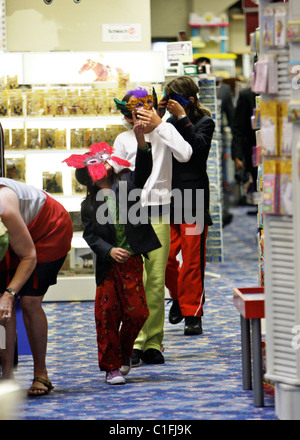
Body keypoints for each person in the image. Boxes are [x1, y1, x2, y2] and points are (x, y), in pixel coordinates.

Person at [63, 122, 161, 385]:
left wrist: (141, 142)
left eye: (104, 162)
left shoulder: (128, 182)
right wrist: (109, 250)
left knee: (138, 312)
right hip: (108, 266)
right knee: (106, 314)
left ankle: (126, 352)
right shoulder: (88, 204)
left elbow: (144, 170)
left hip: (132, 260)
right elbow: (91, 236)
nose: (102, 166)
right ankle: (111, 367)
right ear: (88, 175)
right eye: (95, 166)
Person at [113, 87, 192, 366]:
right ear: (128, 112)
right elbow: (116, 175)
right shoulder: (122, 139)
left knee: (156, 280)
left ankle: (153, 342)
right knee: (134, 281)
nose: (142, 113)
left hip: (160, 211)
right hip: (132, 212)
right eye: (136, 109)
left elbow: (185, 153)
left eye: (148, 107)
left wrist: (160, 125)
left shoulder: (164, 132)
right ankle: (134, 340)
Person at [0, 178, 73, 396]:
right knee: (2, 309)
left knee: (30, 301)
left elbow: (28, 255)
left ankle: (41, 373)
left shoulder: (4, 207)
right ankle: (6, 378)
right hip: (14, 234)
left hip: (49, 229)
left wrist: (10, 293)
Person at [159, 75, 215, 335]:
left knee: (193, 260)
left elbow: (198, 150)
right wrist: (158, 116)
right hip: (169, 198)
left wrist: (182, 118)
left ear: (188, 100)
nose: (170, 105)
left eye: (175, 100)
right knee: (167, 258)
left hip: (194, 197)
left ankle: (193, 313)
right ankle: (180, 299)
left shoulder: (205, 122)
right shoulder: (167, 122)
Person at [195, 57, 234, 227]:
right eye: (200, 67)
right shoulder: (192, 88)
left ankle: (222, 212)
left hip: (217, 139)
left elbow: (231, 116)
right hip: (195, 138)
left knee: (221, 176)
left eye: (206, 67)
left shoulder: (223, 89)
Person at [231, 87, 258, 205]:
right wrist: (237, 156)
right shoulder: (246, 95)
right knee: (259, 184)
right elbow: (238, 129)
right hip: (253, 151)